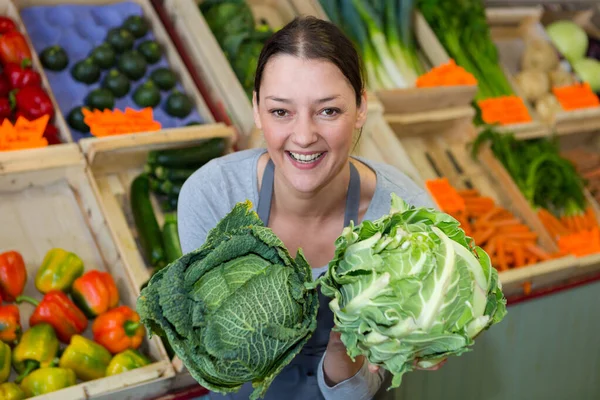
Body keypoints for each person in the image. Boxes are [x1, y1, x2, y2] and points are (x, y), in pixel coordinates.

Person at [178, 16, 441, 400]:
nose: (303, 136)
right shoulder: (213, 195)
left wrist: (352, 350)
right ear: (256, 109)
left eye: (328, 111)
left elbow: (360, 390)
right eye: (280, 111)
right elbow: (216, 354)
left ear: (361, 108)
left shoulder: (404, 216)